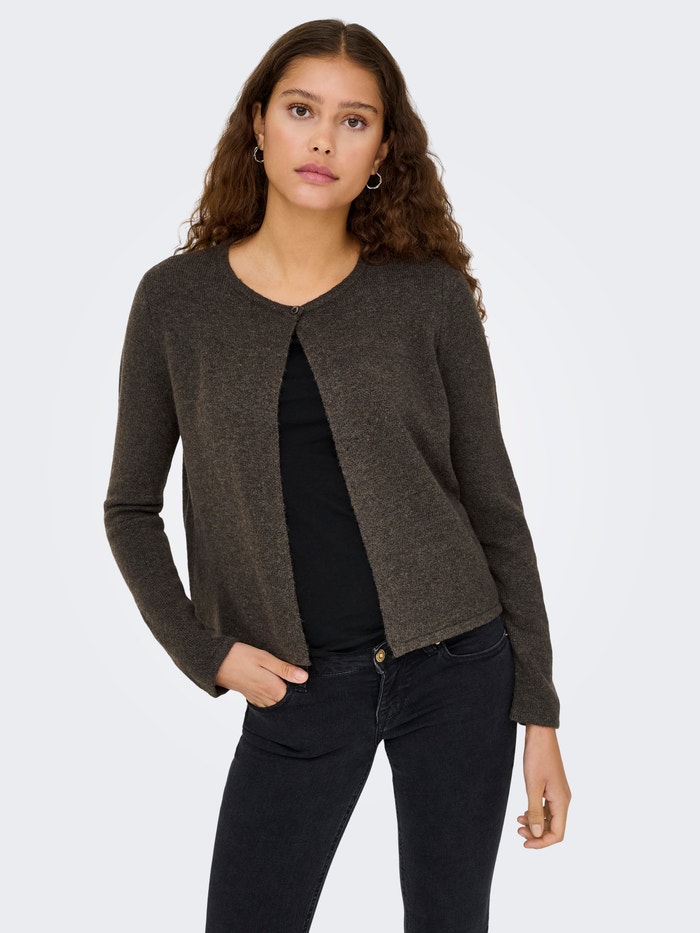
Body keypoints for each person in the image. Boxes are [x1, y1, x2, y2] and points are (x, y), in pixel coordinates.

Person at [103, 18, 571, 933]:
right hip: (297, 686)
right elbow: (129, 507)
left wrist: (540, 715)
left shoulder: (427, 295)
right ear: (258, 123)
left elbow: (494, 504)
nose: (323, 140)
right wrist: (206, 651)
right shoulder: (177, 301)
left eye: (354, 121)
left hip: (459, 669)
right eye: (301, 110)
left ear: (383, 150)